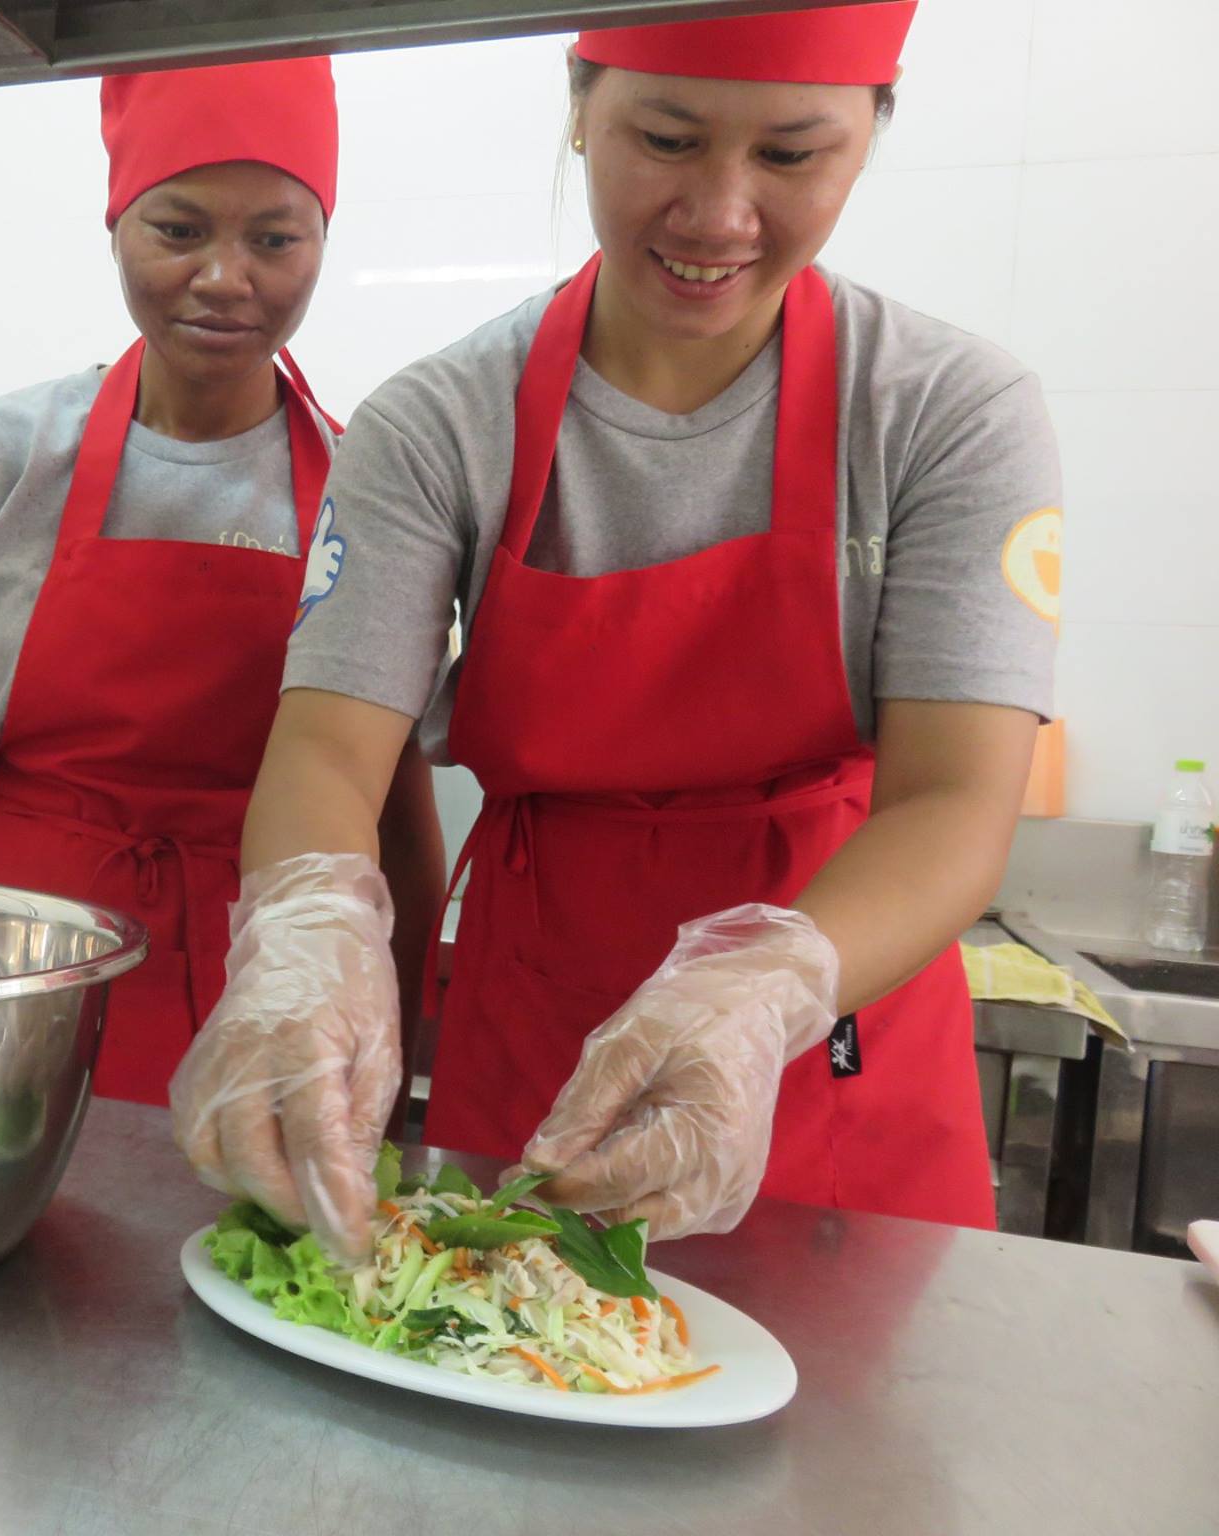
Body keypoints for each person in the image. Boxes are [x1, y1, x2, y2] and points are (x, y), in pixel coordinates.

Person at [172, 2, 1061, 1260]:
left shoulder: (944, 412)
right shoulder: (437, 421)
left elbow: (954, 805)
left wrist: (760, 995)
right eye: (666, 136)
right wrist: (309, 942)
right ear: (580, 103)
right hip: (532, 1015)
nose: (717, 213)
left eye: (790, 155)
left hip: (827, 1020)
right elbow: (324, 751)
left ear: (869, 133)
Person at [0, 59, 445, 1106]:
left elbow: (395, 811)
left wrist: (389, 1046)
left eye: (274, 237)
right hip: (16, 963)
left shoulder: (371, 487)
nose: (224, 277)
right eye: (177, 230)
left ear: (320, 245)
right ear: (115, 226)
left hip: (262, 978)